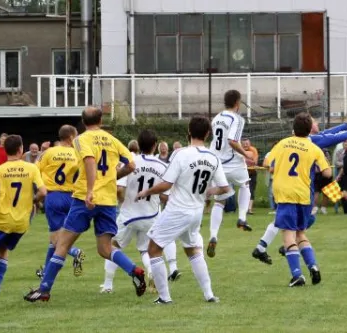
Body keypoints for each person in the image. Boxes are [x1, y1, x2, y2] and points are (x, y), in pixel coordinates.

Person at [24, 106, 146, 302]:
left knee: (62, 244)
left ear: (83, 121)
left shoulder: (81, 139)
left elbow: (90, 161)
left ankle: (44, 289)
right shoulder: (112, 140)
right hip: (107, 200)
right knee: (105, 248)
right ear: (100, 119)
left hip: (84, 198)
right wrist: (113, 177)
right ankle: (135, 270)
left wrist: (90, 190)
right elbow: (131, 165)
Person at [137, 115, 230, 304]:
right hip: (196, 211)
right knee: (193, 250)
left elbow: (166, 184)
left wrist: (147, 191)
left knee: (153, 248)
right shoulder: (213, 158)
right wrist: (208, 191)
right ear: (207, 134)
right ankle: (209, 294)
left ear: (188, 132)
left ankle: (164, 297)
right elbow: (225, 188)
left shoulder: (181, 154)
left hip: (178, 209)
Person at [252, 116, 347, 264]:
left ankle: (265, 247)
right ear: (309, 127)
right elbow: (331, 138)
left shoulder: (302, 138)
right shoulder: (310, 141)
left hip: (290, 187)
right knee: (301, 221)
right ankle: (288, 248)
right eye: (314, 121)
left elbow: (328, 133)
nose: (317, 123)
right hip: (297, 188)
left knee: (285, 220)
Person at [102, 129, 181, 294]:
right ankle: (151, 272)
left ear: (138, 144)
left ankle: (108, 285)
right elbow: (165, 195)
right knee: (146, 249)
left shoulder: (130, 161)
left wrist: (123, 200)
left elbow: (119, 189)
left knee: (113, 246)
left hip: (129, 214)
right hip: (151, 215)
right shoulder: (163, 166)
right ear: (155, 146)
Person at [0, 135, 47, 295]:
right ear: (21, 149)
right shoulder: (32, 168)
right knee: (3, 249)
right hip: (21, 221)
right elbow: (43, 192)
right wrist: (33, 200)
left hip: (1, 218)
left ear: (5, 151)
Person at [266, 113, 332, 287]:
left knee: (288, 234)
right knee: (300, 233)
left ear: (293, 129)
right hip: (304, 194)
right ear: (310, 130)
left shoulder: (283, 143)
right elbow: (328, 173)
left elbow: (266, 162)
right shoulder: (313, 148)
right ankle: (314, 266)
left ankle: (297, 275)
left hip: (286, 193)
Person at [35, 125, 85, 280]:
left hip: (53, 196)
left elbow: (35, 170)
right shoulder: (76, 153)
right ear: (70, 137)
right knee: (56, 237)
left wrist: (37, 192)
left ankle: (75, 252)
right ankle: (46, 270)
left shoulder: (48, 153)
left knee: (57, 238)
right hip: (71, 197)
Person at [207, 90, 252, 258]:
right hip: (232, 161)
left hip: (216, 162)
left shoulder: (217, 118)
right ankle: (242, 217)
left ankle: (213, 235)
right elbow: (232, 141)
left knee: (219, 202)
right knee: (245, 184)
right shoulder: (237, 119)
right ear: (237, 103)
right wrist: (246, 154)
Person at [242, 139, 259, 215]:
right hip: (242, 173)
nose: (245, 145)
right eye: (244, 144)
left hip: (252, 173)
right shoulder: (239, 149)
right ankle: (243, 208)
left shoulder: (253, 150)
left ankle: (249, 209)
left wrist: (246, 160)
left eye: (247, 143)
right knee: (243, 190)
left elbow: (254, 162)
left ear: (250, 144)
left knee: (251, 190)